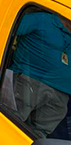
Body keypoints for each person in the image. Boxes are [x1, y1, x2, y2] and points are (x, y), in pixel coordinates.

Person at [6, 10, 71, 138]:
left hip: (61, 95)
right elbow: (5, 30)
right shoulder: (41, 19)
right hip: (28, 82)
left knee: (37, 137)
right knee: (10, 123)